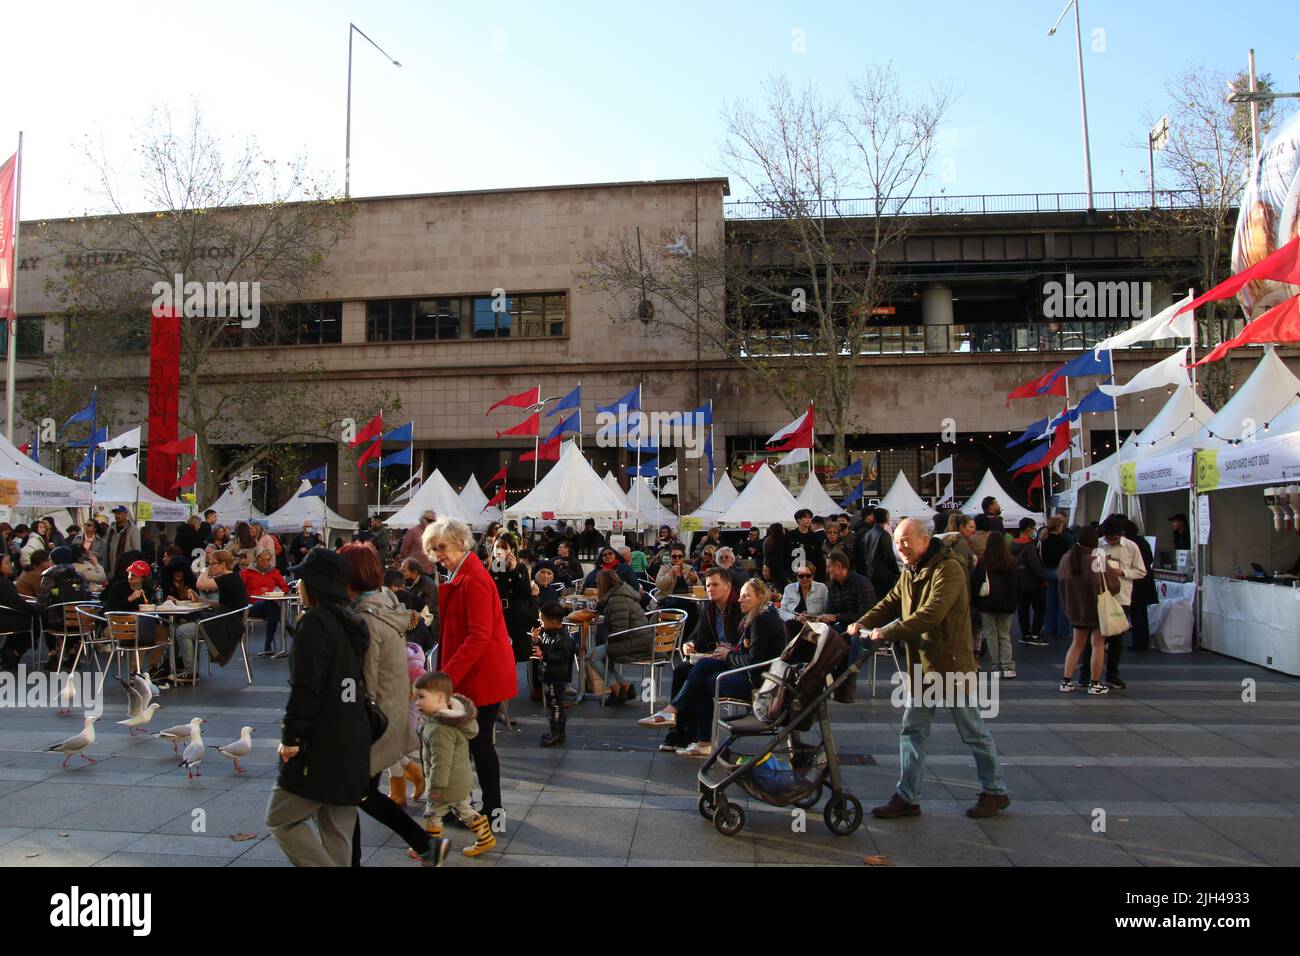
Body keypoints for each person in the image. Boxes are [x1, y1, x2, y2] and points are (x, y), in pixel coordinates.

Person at [849, 518, 1010, 819]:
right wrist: (865, 621)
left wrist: (887, 631)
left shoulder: (948, 569)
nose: (901, 548)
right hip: (921, 664)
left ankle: (996, 790)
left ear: (925, 540)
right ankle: (907, 796)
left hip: (949, 663)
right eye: (897, 542)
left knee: (972, 730)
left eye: (906, 541)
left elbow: (931, 614)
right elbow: (892, 600)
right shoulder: (912, 570)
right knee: (912, 730)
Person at [266, 547, 380, 868]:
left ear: (314, 584)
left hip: (324, 742)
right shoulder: (352, 623)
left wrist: (291, 738)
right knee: (337, 831)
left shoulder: (315, 622)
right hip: (354, 738)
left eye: (301, 580)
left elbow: (306, 688)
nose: (297, 586)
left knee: (280, 818)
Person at [333, 544, 442, 866]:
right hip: (389, 713)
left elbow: (362, 679)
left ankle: (424, 845)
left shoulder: (365, 618)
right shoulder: (384, 605)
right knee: (359, 793)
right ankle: (425, 845)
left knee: (353, 794)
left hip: (372, 720)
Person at [422, 517, 516, 832]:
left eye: (441, 548)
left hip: (479, 675)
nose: (437, 555)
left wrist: (445, 677)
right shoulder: (465, 573)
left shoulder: (473, 577)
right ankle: (481, 810)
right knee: (471, 744)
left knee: (476, 745)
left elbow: (478, 636)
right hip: (476, 674)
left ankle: (490, 811)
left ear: (460, 543)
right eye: (433, 550)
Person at [638, 578, 784, 758]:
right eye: (708, 585)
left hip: (756, 680)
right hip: (746, 669)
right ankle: (680, 724)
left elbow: (754, 661)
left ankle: (693, 732)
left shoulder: (762, 619)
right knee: (695, 667)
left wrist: (729, 655)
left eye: (746, 596)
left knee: (705, 682)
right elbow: (700, 635)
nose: (740, 600)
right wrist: (704, 646)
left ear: (760, 597)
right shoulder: (720, 610)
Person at [639, 567, 742, 749]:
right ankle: (677, 731)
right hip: (715, 658)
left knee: (699, 672)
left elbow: (742, 641)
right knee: (681, 670)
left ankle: (679, 721)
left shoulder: (739, 607)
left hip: (734, 661)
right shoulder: (710, 607)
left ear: (728, 587)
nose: (710, 589)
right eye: (708, 585)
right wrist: (691, 643)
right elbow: (698, 635)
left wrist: (729, 649)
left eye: (715, 585)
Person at [413, 671, 495, 857]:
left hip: (447, 783)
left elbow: (441, 761)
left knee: (433, 813)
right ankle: (485, 838)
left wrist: (436, 786)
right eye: (416, 698)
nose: (417, 703)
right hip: (459, 780)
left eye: (421, 697)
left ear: (441, 698)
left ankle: (429, 848)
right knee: (464, 809)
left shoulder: (440, 728)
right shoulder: (443, 721)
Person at [163, 549, 249, 685]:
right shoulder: (233, 578)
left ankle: (190, 672)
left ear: (222, 565)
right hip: (229, 620)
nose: (210, 566)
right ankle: (172, 667)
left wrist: (205, 569)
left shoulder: (228, 578)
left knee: (181, 631)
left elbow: (200, 584)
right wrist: (202, 601)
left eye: (212, 563)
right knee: (184, 623)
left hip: (228, 625)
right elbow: (221, 604)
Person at [1081, 514, 1147, 690]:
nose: (1110, 541)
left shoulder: (1131, 547)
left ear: (1122, 534)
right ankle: (1085, 674)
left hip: (1121, 597)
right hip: (1100, 596)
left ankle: (1112, 674)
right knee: (1095, 637)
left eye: (1114, 538)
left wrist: (1123, 572)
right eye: (1108, 538)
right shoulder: (1098, 545)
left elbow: (1141, 571)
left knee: (1117, 638)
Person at [1058, 526, 1121, 695]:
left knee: (1076, 644)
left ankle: (1066, 680)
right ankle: (1094, 683)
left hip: (1076, 608)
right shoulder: (1096, 559)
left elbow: (1061, 579)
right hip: (1096, 607)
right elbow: (1112, 584)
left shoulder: (1066, 558)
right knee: (1098, 644)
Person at [489, 532, 538, 728]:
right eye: (497, 547)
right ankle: (497, 708)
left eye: (504, 547)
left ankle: (503, 709)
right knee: (498, 662)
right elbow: (494, 584)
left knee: (511, 662)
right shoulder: (494, 566)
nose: (499, 551)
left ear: (512, 550)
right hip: (497, 616)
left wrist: (515, 569)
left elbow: (525, 591)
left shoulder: (519, 568)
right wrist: (501, 566)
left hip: (515, 618)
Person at [821, 549, 879, 703]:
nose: (827, 570)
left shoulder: (861, 583)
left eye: (829, 567)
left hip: (869, 631)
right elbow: (830, 613)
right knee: (830, 634)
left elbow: (868, 614)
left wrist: (839, 617)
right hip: (845, 629)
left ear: (839, 566)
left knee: (856, 636)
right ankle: (829, 674)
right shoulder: (833, 587)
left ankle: (849, 677)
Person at [588, 568, 650, 705]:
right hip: (640, 638)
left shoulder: (617, 599)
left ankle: (616, 689)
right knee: (600, 655)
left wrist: (606, 642)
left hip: (634, 642)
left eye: (598, 584)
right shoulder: (622, 593)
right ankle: (625, 686)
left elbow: (620, 630)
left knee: (592, 655)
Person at [972, 531, 1019, 678]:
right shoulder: (1011, 561)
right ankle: (1007, 666)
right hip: (1006, 603)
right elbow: (1016, 585)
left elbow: (976, 583)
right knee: (1004, 634)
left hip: (987, 603)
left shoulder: (983, 561)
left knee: (991, 635)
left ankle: (996, 667)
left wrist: (976, 603)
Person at [529, 602, 575, 746]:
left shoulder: (564, 638)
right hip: (549, 673)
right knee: (553, 704)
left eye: (542, 619)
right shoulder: (548, 633)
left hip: (558, 676)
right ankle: (555, 731)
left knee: (556, 705)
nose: (540, 622)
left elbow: (562, 656)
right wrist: (536, 640)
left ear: (554, 621)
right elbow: (543, 648)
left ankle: (558, 732)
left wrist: (545, 654)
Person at [1009, 518, 1050, 647]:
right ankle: (1035, 634)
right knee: (1039, 608)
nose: (1035, 531)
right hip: (1034, 582)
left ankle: (1025, 634)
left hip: (1019, 582)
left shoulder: (1012, 544)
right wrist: (1044, 577)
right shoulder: (1029, 545)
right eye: (1033, 528)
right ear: (1028, 529)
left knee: (1023, 609)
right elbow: (1035, 565)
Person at [242, 548, 290, 657]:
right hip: (252, 606)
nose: (266, 562)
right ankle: (289, 628)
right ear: (257, 559)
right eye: (263, 560)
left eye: (268, 560)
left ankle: (268, 647)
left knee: (271, 610)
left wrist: (278, 592)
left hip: (268, 606)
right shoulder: (247, 572)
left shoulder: (273, 572)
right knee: (271, 605)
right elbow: (240, 589)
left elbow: (285, 587)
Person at [0, 553, 41, 669]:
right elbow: (17, 603)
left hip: (5, 617)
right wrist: (35, 610)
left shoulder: (6, 583)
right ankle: (15, 654)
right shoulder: (5, 584)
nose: (10, 566)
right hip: (5, 620)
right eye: (7, 563)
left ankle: (7, 652)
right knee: (36, 621)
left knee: (24, 620)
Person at [1124, 519, 1157, 652]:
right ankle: (1143, 640)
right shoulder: (1143, 542)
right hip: (1146, 581)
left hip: (1136, 582)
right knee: (1141, 612)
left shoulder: (1130, 545)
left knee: (1136, 612)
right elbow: (1150, 558)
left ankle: (1139, 642)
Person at [1039, 516, 1073, 640]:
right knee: (1062, 602)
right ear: (1059, 527)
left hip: (1047, 571)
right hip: (1060, 571)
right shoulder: (1064, 540)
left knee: (1051, 602)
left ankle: (1049, 628)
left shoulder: (1043, 540)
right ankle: (1062, 630)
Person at [778, 562, 829, 635]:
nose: (805, 579)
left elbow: (827, 611)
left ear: (813, 575)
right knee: (789, 625)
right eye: (801, 576)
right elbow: (782, 611)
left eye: (808, 576)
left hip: (816, 624)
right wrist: (795, 617)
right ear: (796, 576)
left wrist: (813, 618)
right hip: (794, 623)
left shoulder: (822, 588)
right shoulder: (789, 589)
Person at [861, 507, 900, 600]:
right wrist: (897, 572)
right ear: (886, 518)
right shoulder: (884, 534)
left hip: (870, 573)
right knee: (885, 602)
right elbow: (889, 557)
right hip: (883, 574)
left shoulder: (868, 533)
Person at [400, 557, 440, 645]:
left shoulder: (428, 587)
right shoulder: (410, 583)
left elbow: (427, 612)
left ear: (414, 572)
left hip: (431, 625)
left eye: (404, 571)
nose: (401, 573)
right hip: (417, 620)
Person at [788, 509, 827, 583]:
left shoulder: (815, 537)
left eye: (810, 518)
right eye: (805, 517)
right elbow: (786, 554)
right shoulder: (790, 536)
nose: (808, 520)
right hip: (794, 574)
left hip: (811, 574)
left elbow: (819, 556)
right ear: (798, 519)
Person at [104, 507, 141, 579]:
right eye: (115, 513)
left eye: (119, 513)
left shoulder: (133, 530)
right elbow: (106, 549)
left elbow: (137, 552)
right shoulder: (111, 529)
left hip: (125, 571)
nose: (116, 515)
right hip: (110, 572)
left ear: (125, 514)